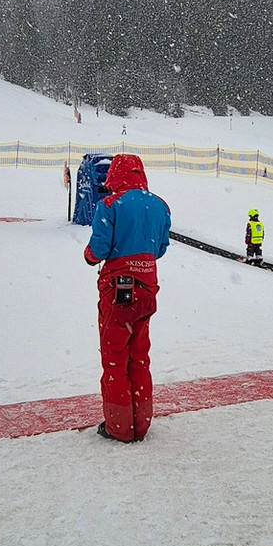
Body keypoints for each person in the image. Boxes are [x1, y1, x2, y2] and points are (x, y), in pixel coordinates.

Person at [83, 154, 171, 443]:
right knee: (139, 356)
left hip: (118, 290)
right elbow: (160, 249)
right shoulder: (159, 205)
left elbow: (99, 248)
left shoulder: (109, 205)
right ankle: (141, 422)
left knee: (114, 358)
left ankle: (119, 427)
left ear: (114, 176)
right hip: (147, 287)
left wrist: (89, 256)